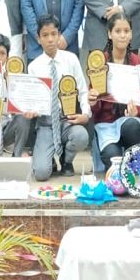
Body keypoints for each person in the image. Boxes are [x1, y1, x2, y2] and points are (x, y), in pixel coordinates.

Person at [27, 14, 90, 180]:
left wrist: (86, 114)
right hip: (46, 124)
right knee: (41, 173)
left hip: (67, 120)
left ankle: (66, 160)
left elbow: (83, 91)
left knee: (81, 136)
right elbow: (32, 99)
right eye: (45, 35)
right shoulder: (33, 67)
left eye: (54, 34)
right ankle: (48, 159)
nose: (50, 39)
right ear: (38, 39)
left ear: (59, 35)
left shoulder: (71, 59)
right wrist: (31, 110)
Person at [87, 13, 140, 173]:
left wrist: (137, 111)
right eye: (118, 31)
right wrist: (93, 102)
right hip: (106, 125)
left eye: (126, 31)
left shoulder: (137, 62)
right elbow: (95, 109)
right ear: (109, 34)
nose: (122, 35)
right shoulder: (99, 62)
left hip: (129, 122)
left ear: (131, 34)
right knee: (114, 163)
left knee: (132, 126)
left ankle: (135, 164)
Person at [0, 34, 34, 156]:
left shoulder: (13, 79)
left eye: (2, 53)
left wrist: (13, 87)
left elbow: (21, 108)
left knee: (23, 118)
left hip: (5, 130)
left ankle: (16, 156)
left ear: (7, 57)